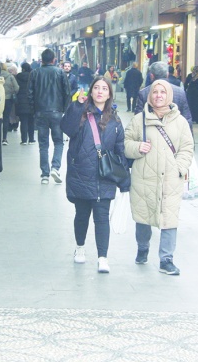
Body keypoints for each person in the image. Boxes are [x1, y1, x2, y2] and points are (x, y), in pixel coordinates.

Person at [124, 79, 194, 276]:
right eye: (155, 92)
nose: (159, 96)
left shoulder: (180, 122)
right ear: (150, 95)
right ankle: (143, 247)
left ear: (169, 95)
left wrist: (179, 167)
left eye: (163, 92)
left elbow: (187, 147)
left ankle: (166, 259)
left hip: (170, 180)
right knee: (143, 217)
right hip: (144, 177)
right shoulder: (139, 120)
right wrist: (137, 147)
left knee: (169, 218)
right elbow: (125, 143)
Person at [60, 76, 129, 273]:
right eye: (96, 88)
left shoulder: (115, 120)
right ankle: (80, 248)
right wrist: (76, 106)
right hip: (81, 173)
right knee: (81, 215)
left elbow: (120, 150)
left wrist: (124, 181)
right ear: (91, 92)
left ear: (109, 94)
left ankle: (102, 258)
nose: (100, 91)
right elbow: (66, 128)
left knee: (101, 217)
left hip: (105, 175)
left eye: (104, 89)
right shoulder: (81, 114)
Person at [28, 48, 70, 184]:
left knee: (43, 144)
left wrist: (34, 111)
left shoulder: (34, 73)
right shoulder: (60, 72)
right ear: (54, 60)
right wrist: (64, 110)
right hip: (57, 112)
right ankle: (55, 168)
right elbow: (67, 93)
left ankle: (44, 174)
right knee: (58, 142)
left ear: (42, 60)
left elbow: (30, 94)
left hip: (40, 113)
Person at [134, 62, 193, 130]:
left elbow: (138, 119)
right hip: (176, 134)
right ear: (167, 74)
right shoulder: (180, 92)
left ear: (152, 76)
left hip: (151, 134)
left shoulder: (144, 93)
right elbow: (187, 119)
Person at [15, 62, 35, 145]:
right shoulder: (33, 76)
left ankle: (23, 140)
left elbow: (16, 88)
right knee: (31, 121)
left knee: (23, 121)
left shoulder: (18, 77)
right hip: (31, 101)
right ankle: (31, 139)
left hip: (21, 101)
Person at [2, 64, 20, 146]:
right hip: (8, 99)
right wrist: (12, 93)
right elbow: (17, 88)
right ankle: (4, 138)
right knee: (6, 118)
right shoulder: (10, 77)